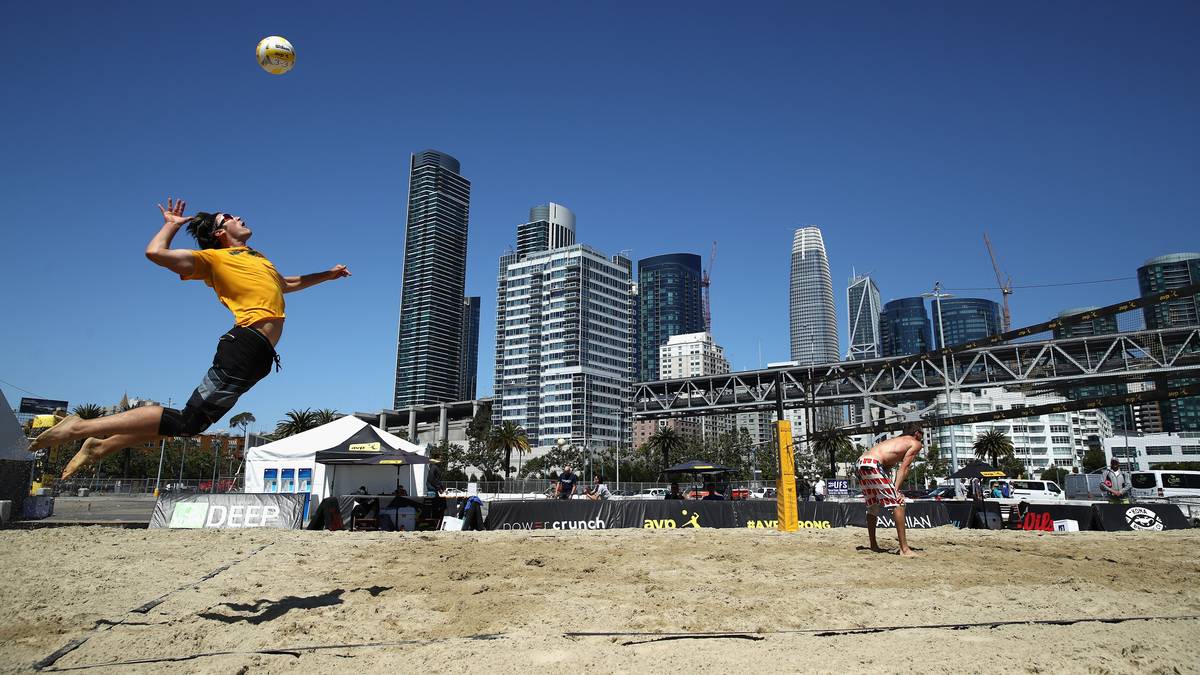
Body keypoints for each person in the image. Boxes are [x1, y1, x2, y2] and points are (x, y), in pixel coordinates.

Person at [29, 198, 351, 478]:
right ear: (219, 234)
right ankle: (80, 428)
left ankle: (100, 445)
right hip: (244, 345)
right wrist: (171, 225)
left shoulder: (259, 259)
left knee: (191, 423)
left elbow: (286, 284)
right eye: (229, 218)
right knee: (186, 420)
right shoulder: (212, 260)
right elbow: (155, 252)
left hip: (260, 357)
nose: (239, 217)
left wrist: (329, 274)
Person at [855, 423, 924, 557]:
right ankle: (904, 550)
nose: (922, 436)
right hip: (873, 463)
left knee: (873, 506)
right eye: (922, 433)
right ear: (917, 433)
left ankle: (873, 545)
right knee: (898, 503)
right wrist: (895, 490)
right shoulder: (915, 443)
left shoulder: (894, 441)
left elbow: (886, 467)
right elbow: (904, 468)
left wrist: (890, 488)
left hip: (860, 463)